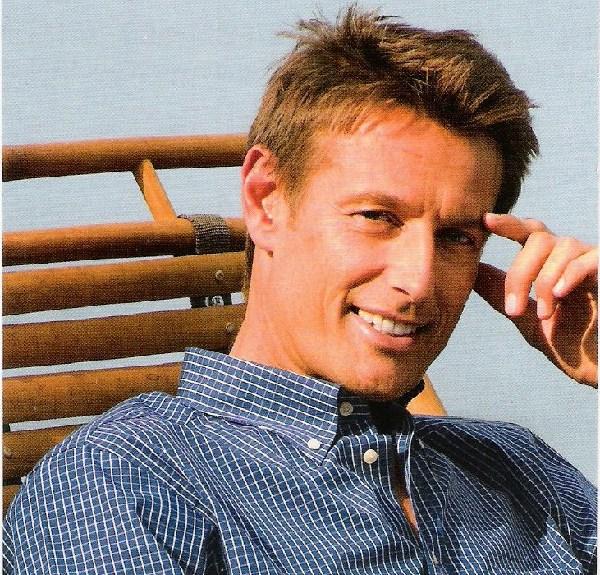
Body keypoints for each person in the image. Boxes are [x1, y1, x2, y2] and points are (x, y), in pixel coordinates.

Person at [4, 6, 597, 574]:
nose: (417, 282)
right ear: (265, 200)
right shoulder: (126, 483)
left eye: (456, 237)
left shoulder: (518, 470)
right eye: (376, 217)